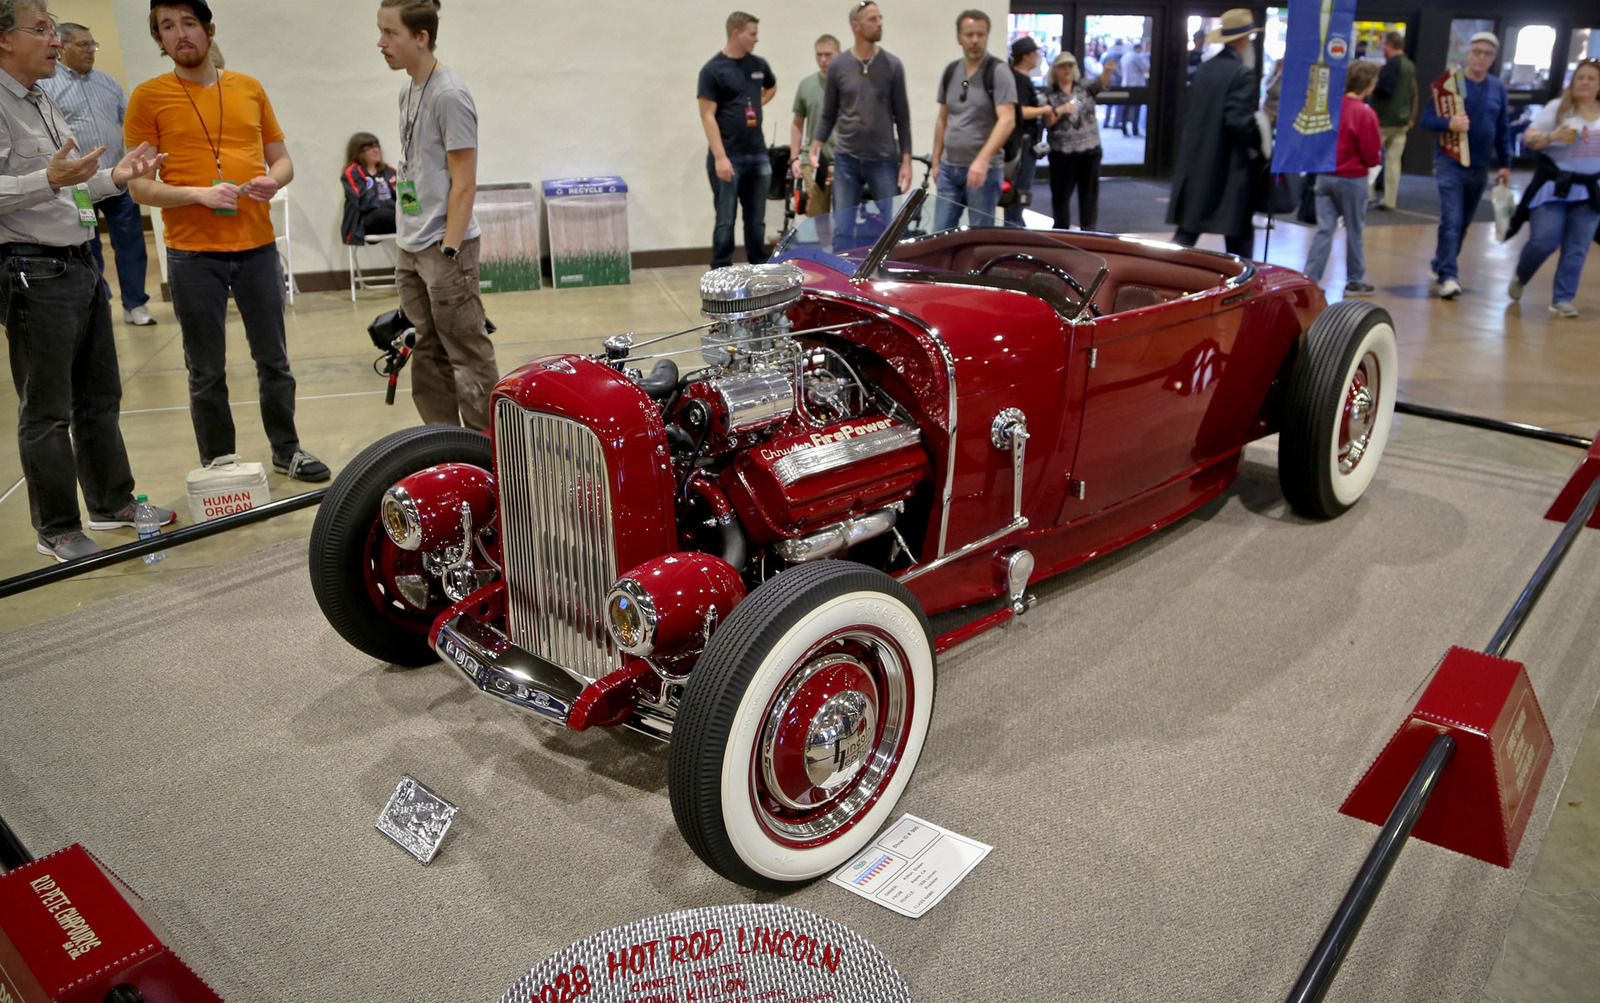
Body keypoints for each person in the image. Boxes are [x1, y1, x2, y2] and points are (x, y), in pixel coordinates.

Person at [125, 0, 328, 481]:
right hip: (194, 254)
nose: (179, 35)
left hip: (256, 247)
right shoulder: (148, 97)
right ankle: (218, 462)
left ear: (209, 29)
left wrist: (272, 182)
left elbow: (282, 161)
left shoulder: (249, 88)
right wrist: (197, 192)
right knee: (206, 370)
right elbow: (138, 186)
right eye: (167, 27)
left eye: (188, 24)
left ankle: (288, 449)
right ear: (159, 40)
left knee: (274, 360)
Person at [1, 0, 174, 562]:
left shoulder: (42, 97)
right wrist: (44, 177)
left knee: (99, 395)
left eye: (54, 30)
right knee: (47, 409)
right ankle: (57, 527)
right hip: (32, 269)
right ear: (5, 39)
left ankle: (112, 502)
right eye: (43, 30)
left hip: (79, 259)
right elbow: (38, 182)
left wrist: (115, 177)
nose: (56, 41)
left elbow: (68, 182)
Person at [376, 0, 497, 430]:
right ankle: (443, 444)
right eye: (381, 31)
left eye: (390, 33)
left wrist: (449, 249)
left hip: (444, 249)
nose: (381, 42)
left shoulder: (450, 94)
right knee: (425, 352)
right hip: (411, 247)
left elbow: (465, 182)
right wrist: (408, 244)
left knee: (467, 353)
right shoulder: (408, 91)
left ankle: (488, 451)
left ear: (420, 37)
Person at [38, 20, 155, 325]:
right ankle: (97, 302)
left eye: (93, 45)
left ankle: (135, 305)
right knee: (88, 246)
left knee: (131, 243)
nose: (91, 51)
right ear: (62, 47)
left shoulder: (109, 83)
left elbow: (126, 125)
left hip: (117, 182)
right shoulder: (46, 87)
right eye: (83, 45)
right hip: (79, 187)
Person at [811, 1, 912, 250]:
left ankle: (882, 282)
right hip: (847, 159)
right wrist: (815, 146)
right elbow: (828, 113)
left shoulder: (892, 65)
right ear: (856, 26)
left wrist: (906, 160)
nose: (879, 23)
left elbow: (903, 116)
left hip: (884, 160)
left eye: (880, 18)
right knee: (843, 230)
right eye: (872, 19)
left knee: (889, 229)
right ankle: (843, 279)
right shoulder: (838, 65)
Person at [1505, 58, 1600, 318]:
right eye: (1581, 77)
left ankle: (1562, 299)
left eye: (1591, 78)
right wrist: (1553, 136)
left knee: (1577, 247)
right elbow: (1530, 139)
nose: (1585, 82)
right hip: (1554, 187)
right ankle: (1522, 276)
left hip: (1589, 191)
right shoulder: (1558, 108)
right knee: (1544, 240)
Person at [1420, 30, 1511, 299]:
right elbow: (1426, 119)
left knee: (1463, 223)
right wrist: (1449, 124)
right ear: (1468, 54)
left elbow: (1502, 127)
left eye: (1487, 53)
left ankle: (1440, 263)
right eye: (1477, 52)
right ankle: (1450, 274)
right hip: (1450, 161)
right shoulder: (1450, 83)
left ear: (1493, 58)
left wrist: (1505, 163)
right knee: (1452, 218)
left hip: (1480, 166)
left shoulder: (1497, 88)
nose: (1481, 58)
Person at [1167, 9, 1263, 258]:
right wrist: (1260, 140)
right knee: (1239, 239)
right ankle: (1243, 291)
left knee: (1187, 232)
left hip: (1198, 162)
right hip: (1229, 168)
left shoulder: (1205, 69)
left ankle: (1161, 277)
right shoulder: (1242, 74)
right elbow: (1237, 122)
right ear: (1242, 41)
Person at [697, 11, 775, 269]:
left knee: (756, 219)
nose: (756, 39)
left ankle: (759, 266)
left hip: (758, 154)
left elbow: (771, 86)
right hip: (728, 156)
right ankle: (720, 267)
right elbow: (707, 116)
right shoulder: (712, 70)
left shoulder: (758, 65)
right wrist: (720, 157)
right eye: (752, 34)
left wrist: (757, 105)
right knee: (726, 218)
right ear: (736, 33)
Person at [930, 9, 1015, 232]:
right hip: (950, 169)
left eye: (980, 34)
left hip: (984, 172)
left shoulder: (998, 71)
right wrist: (937, 160)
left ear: (987, 35)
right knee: (940, 235)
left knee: (979, 237)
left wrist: (982, 160)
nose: (975, 40)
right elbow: (943, 119)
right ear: (959, 37)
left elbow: (1007, 120)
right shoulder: (951, 71)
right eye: (969, 35)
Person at [1303, 61, 1382, 296]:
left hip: (1325, 176)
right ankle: (1355, 280)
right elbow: (1371, 154)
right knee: (1355, 230)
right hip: (1352, 178)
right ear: (1368, 85)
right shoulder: (1364, 113)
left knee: (1324, 230)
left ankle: (1311, 279)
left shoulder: (1329, 107)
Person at [1041, 51, 1110, 230]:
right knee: (1061, 196)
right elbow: (1047, 123)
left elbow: (1102, 82)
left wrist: (1108, 70)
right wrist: (1062, 109)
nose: (1067, 70)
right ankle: (1062, 231)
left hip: (1090, 149)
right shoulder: (1049, 95)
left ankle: (1089, 232)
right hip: (1063, 152)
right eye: (1063, 66)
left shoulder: (1084, 87)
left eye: (1070, 65)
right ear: (1055, 70)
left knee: (1089, 196)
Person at [789, 33, 837, 248]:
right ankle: (825, 254)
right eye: (819, 55)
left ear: (839, 54)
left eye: (828, 55)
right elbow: (797, 123)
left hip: (843, 160)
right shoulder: (807, 85)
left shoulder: (847, 84)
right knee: (818, 216)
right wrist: (795, 158)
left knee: (847, 214)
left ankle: (845, 257)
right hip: (814, 160)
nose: (823, 60)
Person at [1367, 31, 1417, 211]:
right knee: (1394, 162)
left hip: (1383, 120)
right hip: (1402, 121)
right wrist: (1411, 116)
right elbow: (1413, 93)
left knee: (1371, 158)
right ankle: (1390, 200)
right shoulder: (1410, 66)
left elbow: (1384, 91)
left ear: (1389, 45)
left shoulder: (1390, 66)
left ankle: (1368, 194)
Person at [1003, 35, 1049, 226]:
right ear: (1026, 56)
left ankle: (1015, 223)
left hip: (1025, 142)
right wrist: (1045, 109)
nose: (1038, 58)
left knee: (1021, 188)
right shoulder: (1019, 80)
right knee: (1019, 189)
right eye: (1035, 54)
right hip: (1022, 143)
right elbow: (1020, 110)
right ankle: (1014, 227)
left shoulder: (1020, 78)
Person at [340, 132, 397, 245]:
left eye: (377, 146)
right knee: (382, 214)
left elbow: (404, 198)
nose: (376, 150)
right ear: (358, 152)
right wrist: (392, 206)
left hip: (391, 217)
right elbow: (364, 202)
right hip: (366, 220)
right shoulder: (352, 172)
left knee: (415, 215)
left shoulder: (390, 171)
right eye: (370, 148)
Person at [1121, 42, 1149, 137]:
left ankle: (1124, 128)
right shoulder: (1136, 57)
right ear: (1138, 48)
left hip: (1126, 84)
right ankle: (1135, 129)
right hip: (1136, 85)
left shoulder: (1125, 57)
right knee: (1136, 109)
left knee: (1126, 108)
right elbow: (1146, 68)